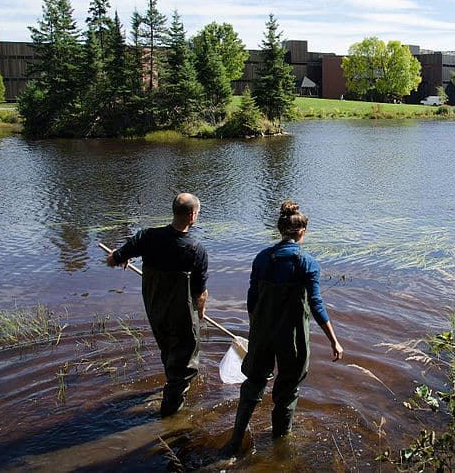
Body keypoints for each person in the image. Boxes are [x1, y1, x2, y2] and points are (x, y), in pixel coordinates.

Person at [223, 200, 343, 455]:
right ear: (302, 232)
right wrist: (333, 340)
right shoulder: (307, 263)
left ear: (280, 230)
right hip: (293, 338)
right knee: (288, 391)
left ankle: (235, 441)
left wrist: (255, 331)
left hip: (263, 334)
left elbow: (252, 299)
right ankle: (280, 447)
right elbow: (316, 304)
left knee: (253, 385)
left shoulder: (262, 258)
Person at [105, 192, 209, 417]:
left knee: (168, 351)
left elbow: (113, 259)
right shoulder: (195, 249)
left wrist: (119, 256)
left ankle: (172, 388)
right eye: (197, 213)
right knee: (186, 365)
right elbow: (199, 293)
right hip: (181, 314)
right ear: (192, 215)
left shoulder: (147, 237)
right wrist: (199, 312)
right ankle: (170, 416)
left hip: (155, 309)